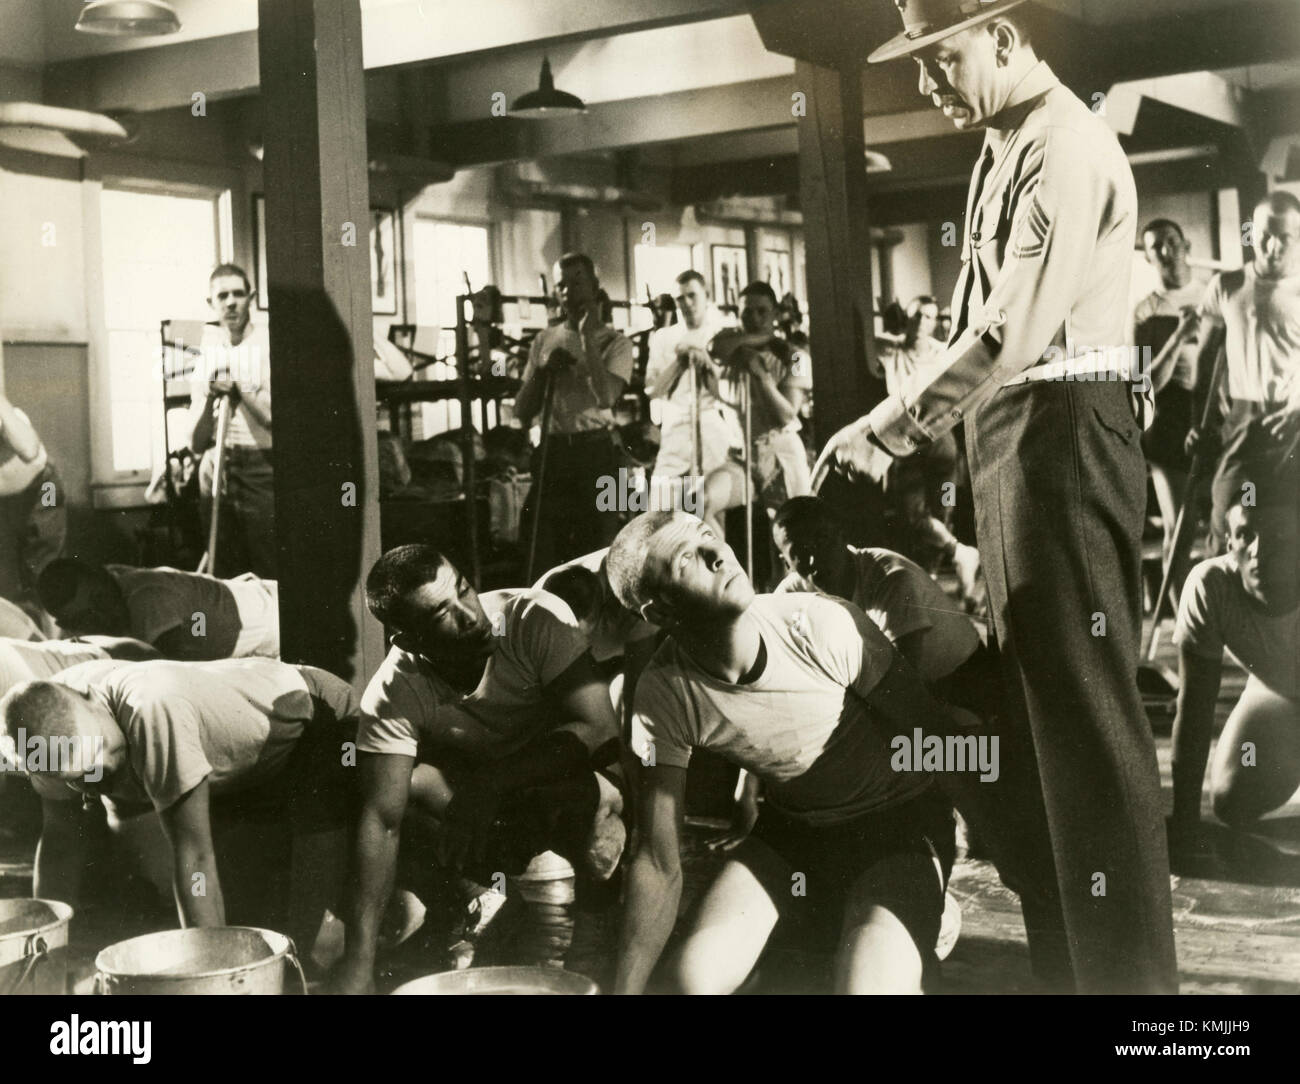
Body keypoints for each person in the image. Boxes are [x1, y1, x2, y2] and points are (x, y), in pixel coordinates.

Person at [817, 0, 1177, 992]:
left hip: (1058, 436)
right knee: (1035, 730)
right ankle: (1075, 976)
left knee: (1088, 736)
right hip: (1011, 439)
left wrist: (884, 430)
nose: (924, 81)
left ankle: (1136, 1003)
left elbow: (1008, 336)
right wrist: (921, 436)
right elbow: (971, 326)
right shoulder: (1005, 143)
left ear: (1008, 38)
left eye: (941, 56)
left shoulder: (1061, 142)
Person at [608, 511, 979, 995]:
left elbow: (940, 740)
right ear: (658, 614)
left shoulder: (823, 623)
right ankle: (843, 914)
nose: (718, 554)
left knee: (869, 989)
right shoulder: (662, 693)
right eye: (687, 559)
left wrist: (1000, 854)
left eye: (708, 536)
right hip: (794, 833)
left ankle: (916, 914)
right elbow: (657, 861)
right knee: (684, 986)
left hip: (898, 823)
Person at [332, 545, 626, 994]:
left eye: (464, 591)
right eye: (441, 615)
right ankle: (472, 898)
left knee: (577, 802)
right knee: (380, 788)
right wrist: (357, 960)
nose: (470, 616)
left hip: (570, 777)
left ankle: (597, 919)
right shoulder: (393, 692)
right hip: (485, 797)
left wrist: (488, 784)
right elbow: (382, 820)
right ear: (409, 641)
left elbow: (600, 730)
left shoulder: (532, 616)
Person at [1, 657, 357, 931]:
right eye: (83, 776)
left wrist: (209, 973)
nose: (105, 768)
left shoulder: (151, 707)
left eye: (102, 752)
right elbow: (61, 841)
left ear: (93, 698)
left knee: (310, 934)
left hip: (316, 718)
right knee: (192, 892)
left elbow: (194, 859)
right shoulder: (39, 741)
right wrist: (42, 945)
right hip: (236, 767)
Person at [1169, 496, 1299, 864]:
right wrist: (1185, 823)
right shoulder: (1210, 586)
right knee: (1231, 798)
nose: (1260, 550)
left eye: (1277, 534)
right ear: (1229, 543)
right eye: (1246, 534)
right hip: (1279, 690)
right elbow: (1193, 711)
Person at [1186, 191, 1300, 553]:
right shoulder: (1227, 285)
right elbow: (1203, 359)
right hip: (1242, 419)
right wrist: (1197, 422)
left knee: (1287, 529)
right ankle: (1218, 603)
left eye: (1286, 237)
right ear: (1253, 232)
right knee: (1228, 519)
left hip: (1292, 419)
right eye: (1266, 234)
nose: (1274, 246)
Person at [515, 253, 634, 573]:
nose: (569, 291)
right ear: (555, 294)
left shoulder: (617, 343)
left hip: (596, 455)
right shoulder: (544, 339)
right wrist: (542, 371)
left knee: (597, 551)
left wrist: (586, 340)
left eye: (577, 282)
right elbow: (521, 410)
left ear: (595, 287)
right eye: (561, 286)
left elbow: (607, 397)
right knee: (540, 545)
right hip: (552, 455)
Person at [699, 281, 813, 542]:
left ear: (775, 313)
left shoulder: (796, 358)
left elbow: (787, 415)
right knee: (697, 501)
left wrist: (762, 377)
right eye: (746, 312)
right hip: (742, 456)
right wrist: (763, 338)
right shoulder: (727, 349)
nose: (754, 318)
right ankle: (729, 573)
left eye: (762, 311)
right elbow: (713, 348)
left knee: (791, 540)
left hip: (781, 454)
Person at [1134, 219, 1210, 596]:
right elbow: (1145, 382)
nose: (1166, 251)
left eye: (1171, 242)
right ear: (1147, 258)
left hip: (1217, 411)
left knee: (1229, 521)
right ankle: (1184, 623)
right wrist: (1179, 336)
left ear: (1187, 244)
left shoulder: (1214, 293)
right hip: (1170, 418)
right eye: (1155, 247)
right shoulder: (1144, 312)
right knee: (1181, 527)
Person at [187, 263, 276, 578]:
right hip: (217, 468)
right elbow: (195, 443)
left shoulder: (269, 346)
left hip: (263, 466)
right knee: (224, 569)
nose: (231, 302)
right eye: (222, 295)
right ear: (210, 303)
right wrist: (211, 395)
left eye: (238, 293)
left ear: (251, 297)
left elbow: (274, 421)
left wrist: (240, 385)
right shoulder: (207, 354)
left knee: (269, 567)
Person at [37, 558, 279, 661]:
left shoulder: (146, 599)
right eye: (87, 617)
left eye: (100, 600)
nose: (102, 616)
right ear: (67, 625)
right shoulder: (108, 585)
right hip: (252, 612)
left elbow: (172, 673)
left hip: (275, 619)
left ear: (103, 576)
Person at [643, 270, 737, 490]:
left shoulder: (723, 336)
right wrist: (679, 363)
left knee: (711, 506)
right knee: (662, 504)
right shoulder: (663, 338)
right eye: (680, 298)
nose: (686, 303)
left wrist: (706, 361)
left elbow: (726, 393)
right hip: (675, 428)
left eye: (692, 295)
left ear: (707, 294)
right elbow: (652, 391)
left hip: (712, 428)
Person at [0, 392, 65, 618]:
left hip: (43, 488)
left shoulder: (9, 416)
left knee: (46, 571)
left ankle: (55, 644)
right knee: (8, 581)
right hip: (8, 501)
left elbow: (29, 450)